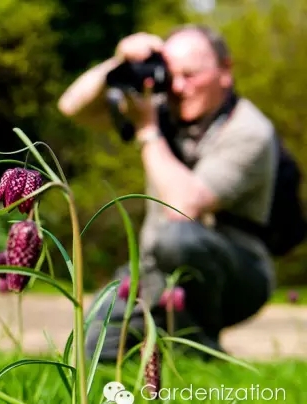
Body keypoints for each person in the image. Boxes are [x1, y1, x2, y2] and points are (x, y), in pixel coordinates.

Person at [57, 24, 279, 362]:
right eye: (172, 76)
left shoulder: (250, 131)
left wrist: (148, 132)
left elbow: (182, 207)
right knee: (94, 346)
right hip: (153, 270)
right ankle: (169, 343)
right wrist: (119, 62)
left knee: (178, 239)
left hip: (239, 275)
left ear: (225, 71)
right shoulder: (160, 108)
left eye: (190, 75)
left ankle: (200, 350)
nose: (178, 87)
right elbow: (72, 107)